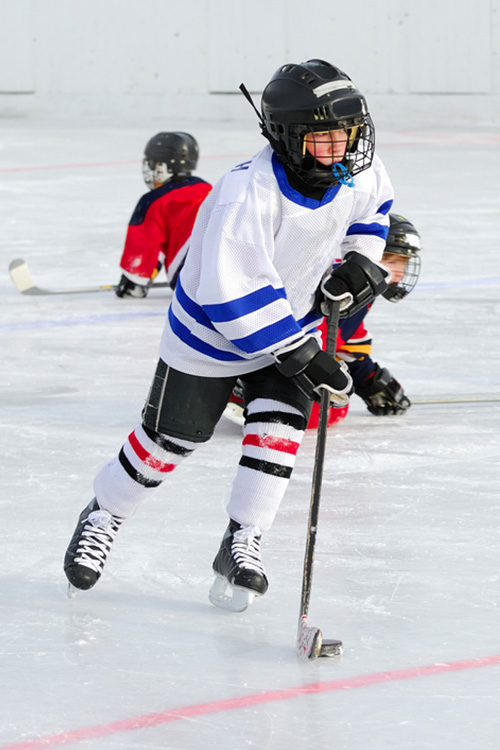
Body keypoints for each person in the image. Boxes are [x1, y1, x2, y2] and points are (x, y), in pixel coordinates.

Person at [64, 59, 394, 613]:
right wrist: (301, 351)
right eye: (325, 136)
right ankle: (103, 513)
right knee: (167, 445)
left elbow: (373, 211)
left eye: (350, 132)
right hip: (209, 336)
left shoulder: (356, 168)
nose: (343, 146)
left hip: (291, 326)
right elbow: (234, 294)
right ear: (289, 138)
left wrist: (361, 263)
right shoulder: (248, 193)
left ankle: (244, 539)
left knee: (279, 435)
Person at [224, 213, 422, 428]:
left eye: (403, 263)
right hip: (275, 352)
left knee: (333, 403)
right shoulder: (338, 285)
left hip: (292, 355)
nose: (400, 273)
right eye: (392, 261)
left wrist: (372, 381)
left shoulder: (362, 293)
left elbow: (345, 342)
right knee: (324, 410)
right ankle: (250, 389)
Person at [115, 132, 212, 298]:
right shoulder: (210, 190)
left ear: (164, 166)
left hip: (194, 287)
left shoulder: (154, 202)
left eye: (153, 164)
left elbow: (143, 251)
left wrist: (131, 284)